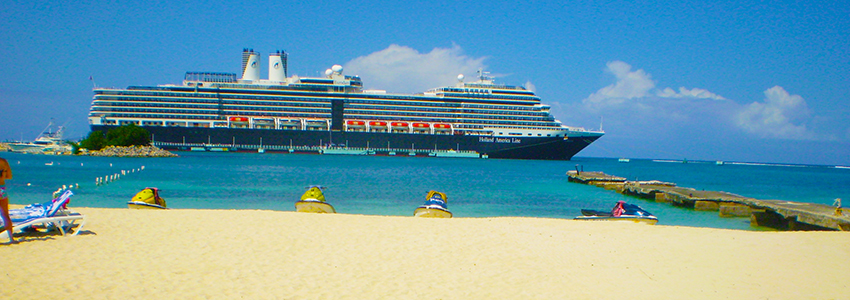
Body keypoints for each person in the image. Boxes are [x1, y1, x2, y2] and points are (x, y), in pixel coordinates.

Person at [0, 157, 16, 243]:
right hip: (1, 189)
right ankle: (11, 238)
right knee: (5, 215)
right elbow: (9, 176)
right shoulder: (4, 162)